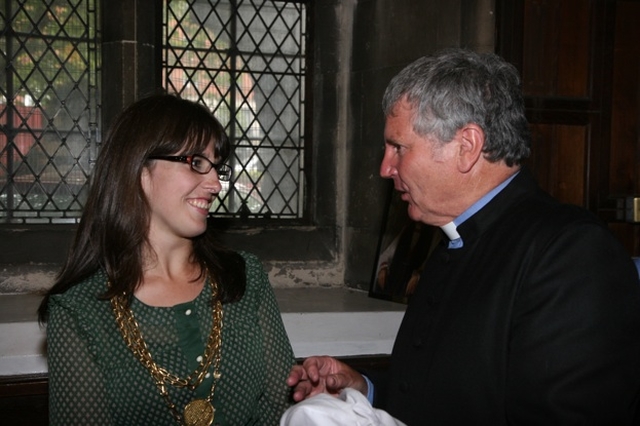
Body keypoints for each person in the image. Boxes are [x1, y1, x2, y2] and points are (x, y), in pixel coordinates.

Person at [286, 49, 640, 424]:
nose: (385, 167)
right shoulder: (453, 243)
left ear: (466, 147)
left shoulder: (571, 254)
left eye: (398, 148)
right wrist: (363, 390)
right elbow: (447, 395)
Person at [38, 94, 296, 425]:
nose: (216, 183)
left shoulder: (244, 277)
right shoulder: (79, 311)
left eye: (217, 166)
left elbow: (281, 406)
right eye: (196, 163)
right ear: (139, 170)